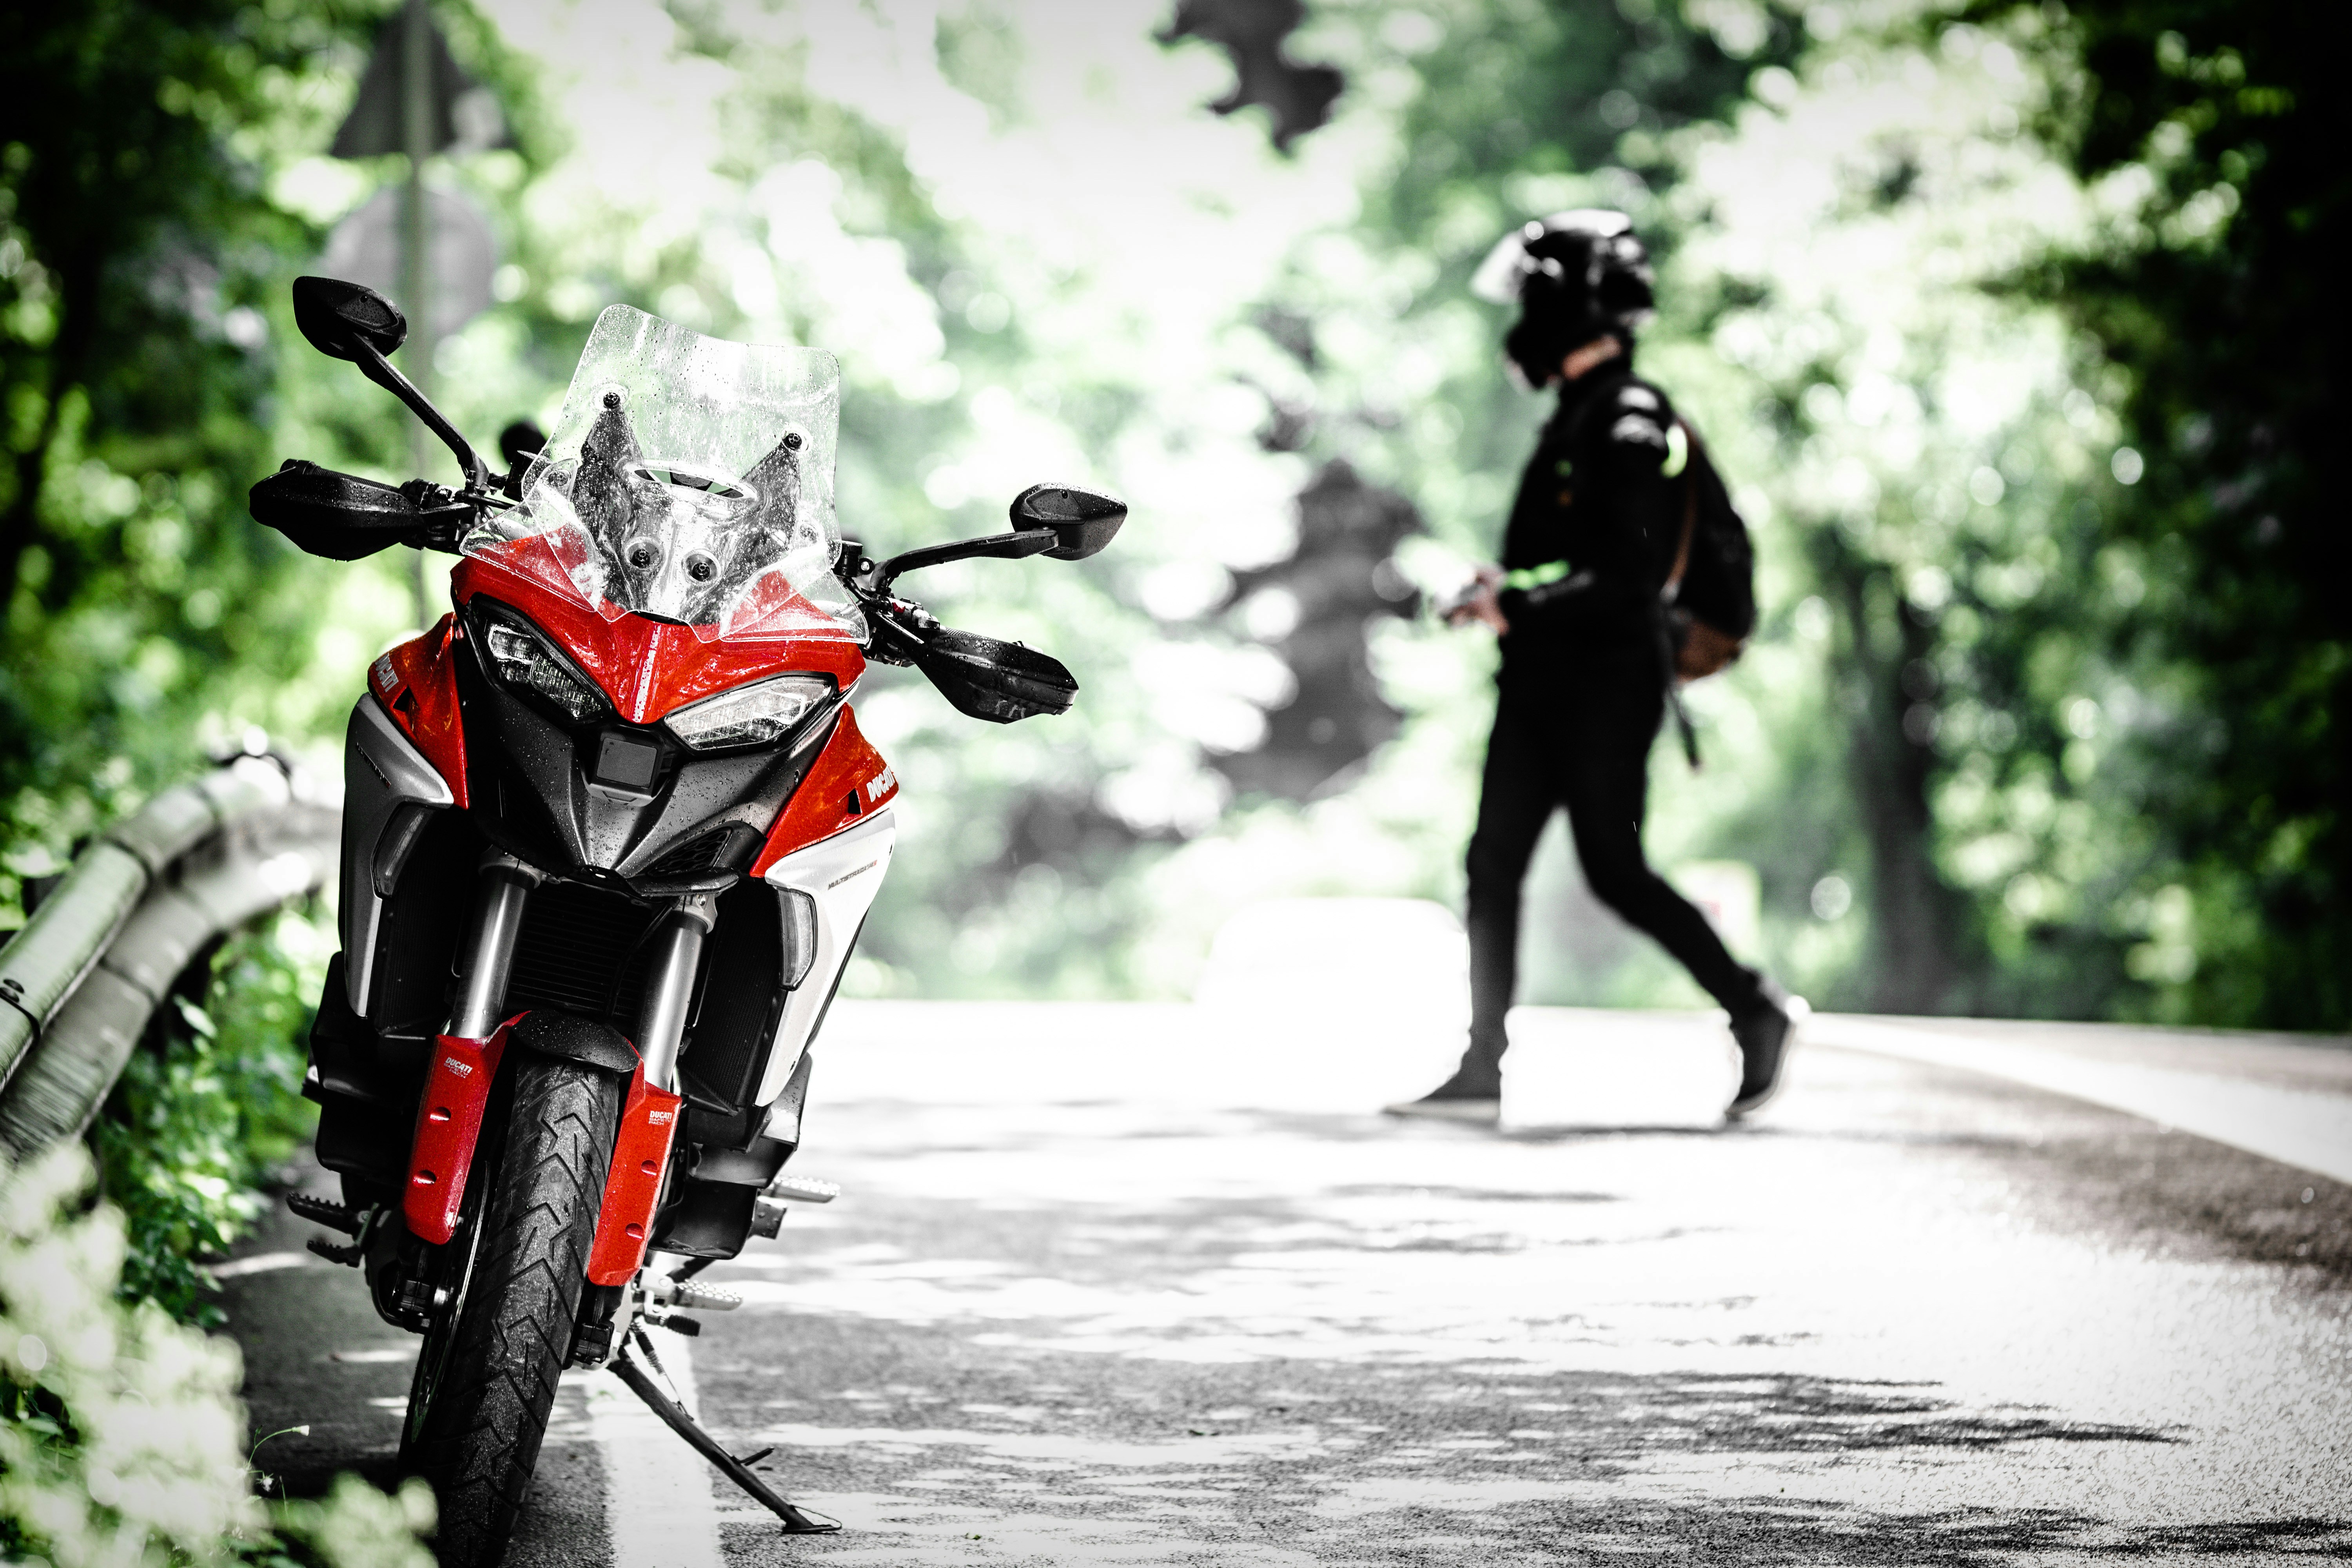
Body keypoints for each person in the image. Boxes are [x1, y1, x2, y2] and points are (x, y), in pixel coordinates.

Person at [1386, 210, 1795, 1125]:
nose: (1521, 317)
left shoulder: (1628, 420)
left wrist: (1516, 601)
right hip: (1540, 680)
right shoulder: (1581, 415)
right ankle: (1482, 1061)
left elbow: (1623, 578)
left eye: (1534, 296)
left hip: (1605, 686)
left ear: (1568, 303)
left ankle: (1754, 1006)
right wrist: (1509, 592)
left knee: (1615, 868)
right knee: (1492, 862)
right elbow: (1570, 564)